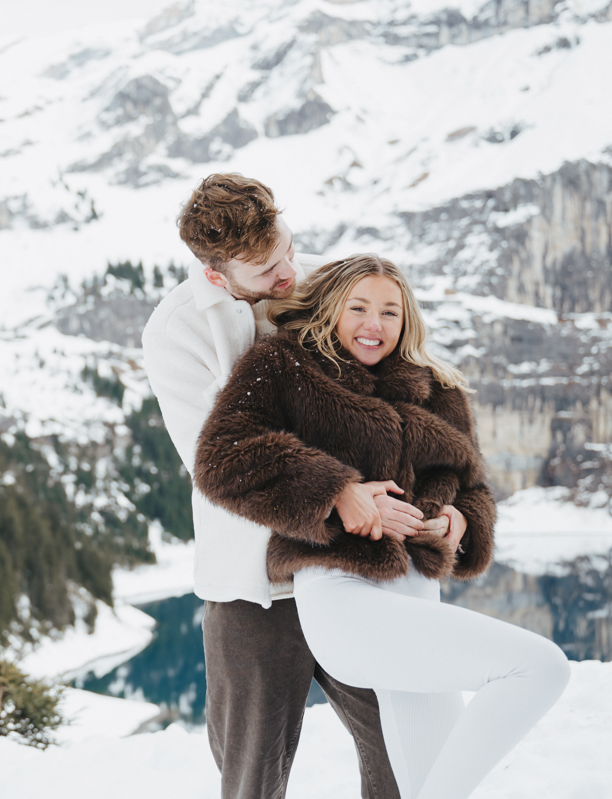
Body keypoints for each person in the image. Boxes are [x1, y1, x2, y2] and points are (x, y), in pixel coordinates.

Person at [194, 254, 571, 799]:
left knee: (424, 782)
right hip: (342, 594)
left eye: (390, 312)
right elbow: (222, 459)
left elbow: (473, 488)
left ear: (406, 319)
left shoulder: (439, 388)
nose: (375, 324)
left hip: (418, 596)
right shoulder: (284, 366)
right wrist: (336, 493)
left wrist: (460, 522)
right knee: (539, 667)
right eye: (359, 308)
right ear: (331, 308)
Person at [143, 174, 405, 799]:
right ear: (216, 273)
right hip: (252, 585)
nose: (290, 272)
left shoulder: (324, 282)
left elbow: (392, 392)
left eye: (288, 247)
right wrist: (334, 488)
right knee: (252, 776)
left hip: (349, 562)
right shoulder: (175, 331)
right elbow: (222, 461)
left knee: (402, 742)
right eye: (266, 269)